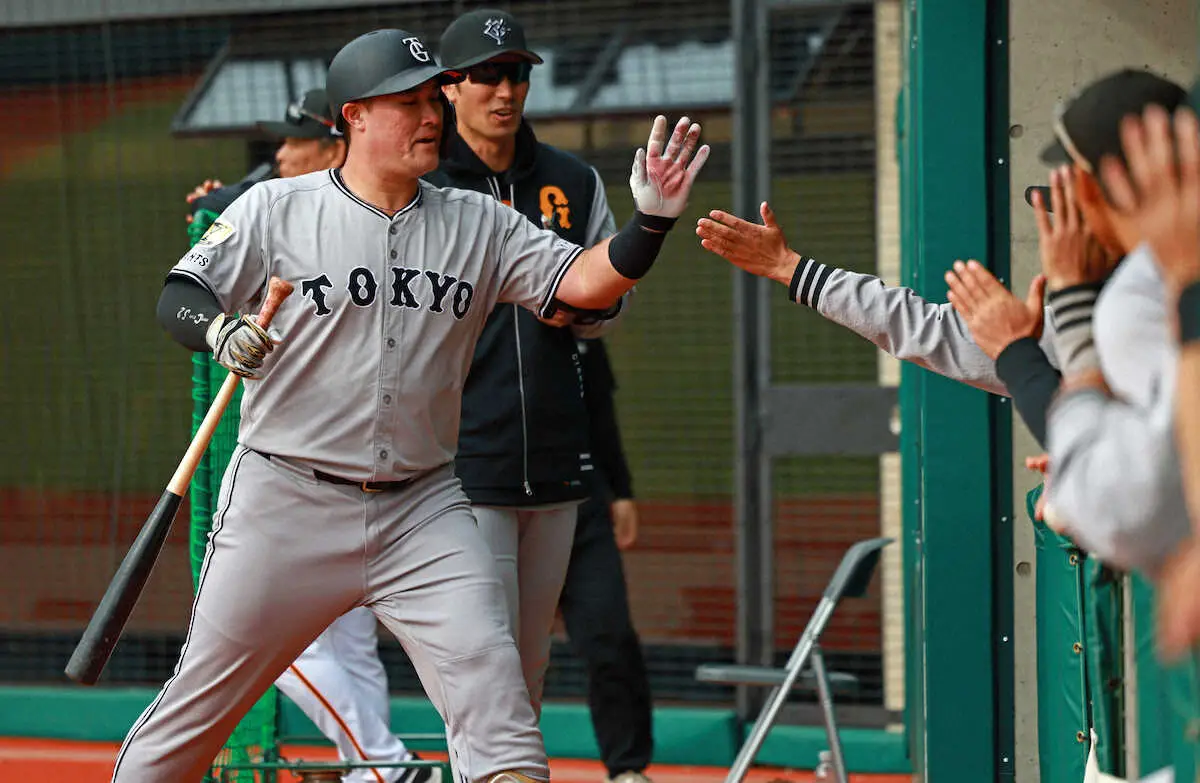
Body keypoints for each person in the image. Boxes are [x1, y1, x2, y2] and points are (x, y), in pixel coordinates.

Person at [113, 25, 708, 783]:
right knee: (192, 718)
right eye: (408, 102)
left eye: (434, 98)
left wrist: (649, 225)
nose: (431, 115)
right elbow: (181, 295)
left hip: (422, 509)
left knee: (501, 716)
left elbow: (583, 285)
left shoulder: (480, 221)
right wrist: (219, 330)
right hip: (285, 501)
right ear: (354, 115)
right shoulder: (276, 207)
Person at [427, 12, 655, 781]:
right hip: (465, 465)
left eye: (518, 74)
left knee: (530, 661)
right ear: (450, 87)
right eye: (488, 75)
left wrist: (584, 305)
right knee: (484, 661)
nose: (506, 91)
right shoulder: (425, 186)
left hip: (558, 466)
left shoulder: (574, 180)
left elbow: (611, 305)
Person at [186, 88, 432, 783]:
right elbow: (242, 200)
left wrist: (212, 208)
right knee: (349, 646)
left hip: (310, 465)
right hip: (355, 465)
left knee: (267, 640)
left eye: (297, 141)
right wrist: (212, 204)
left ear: (337, 143)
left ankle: (381, 762)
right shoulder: (295, 203)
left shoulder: (345, 216)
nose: (282, 154)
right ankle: (373, 770)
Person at [560, 337, 655, 783]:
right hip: (499, 503)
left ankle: (627, 767)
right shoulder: (478, 318)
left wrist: (622, 490)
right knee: (494, 647)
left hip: (585, 508)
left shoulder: (583, 329)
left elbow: (600, 413)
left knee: (609, 636)